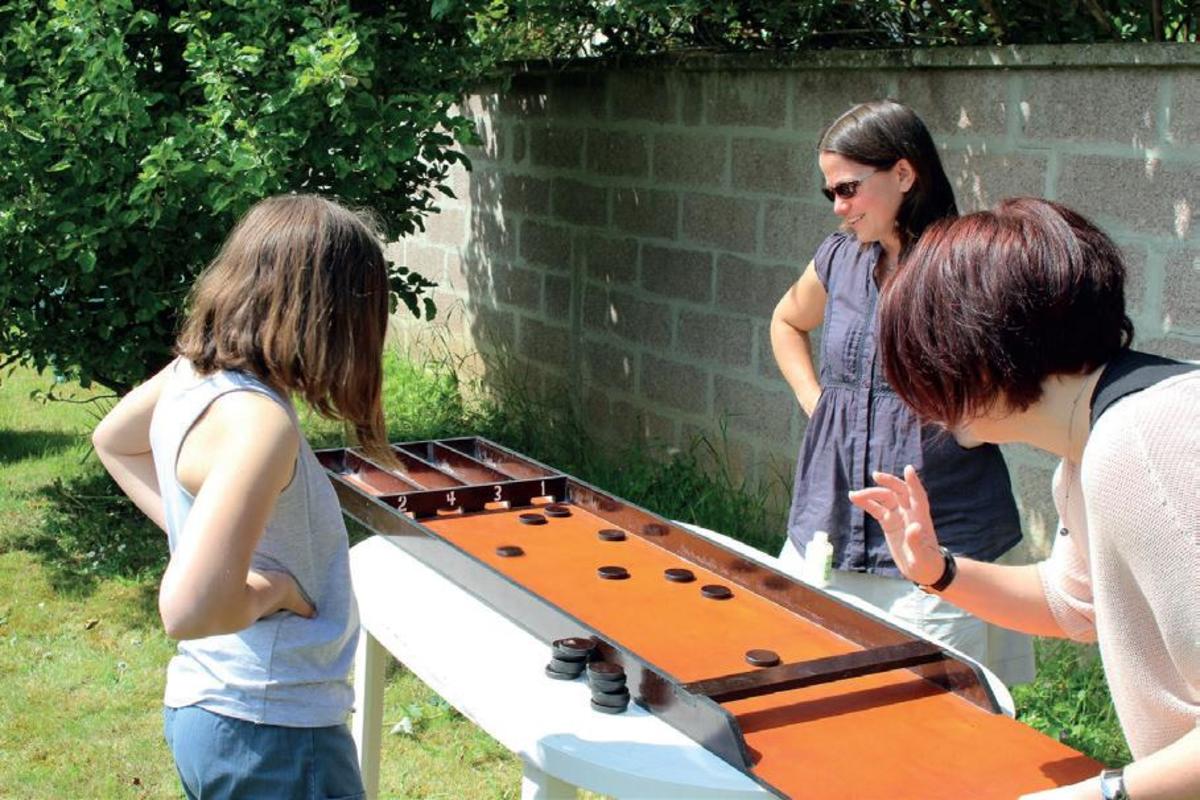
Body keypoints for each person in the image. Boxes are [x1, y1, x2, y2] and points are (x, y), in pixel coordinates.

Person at [850, 197, 1198, 800]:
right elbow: (1073, 604)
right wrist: (939, 571)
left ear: (978, 356)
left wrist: (1102, 793)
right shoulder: (1090, 452)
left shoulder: (1138, 443)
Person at [92, 194, 393, 799]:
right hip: (275, 735)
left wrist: (207, 539)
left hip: (217, 714)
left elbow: (114, 442)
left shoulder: (190, 376)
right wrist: (271, 588)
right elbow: (188, 611)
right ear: (328, 311)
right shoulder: (260, 423)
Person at [769, 99, 1033, 683]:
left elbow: (1023, 382)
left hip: (939, 535)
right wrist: (817, 403)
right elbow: (786, 322)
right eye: (829, 193)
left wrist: (967, 426)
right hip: (832, 519)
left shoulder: (970, 264)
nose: (838, 207)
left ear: (905, 175)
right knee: (812, 681)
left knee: (941, 705)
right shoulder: (838, 259)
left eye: (848, 189)